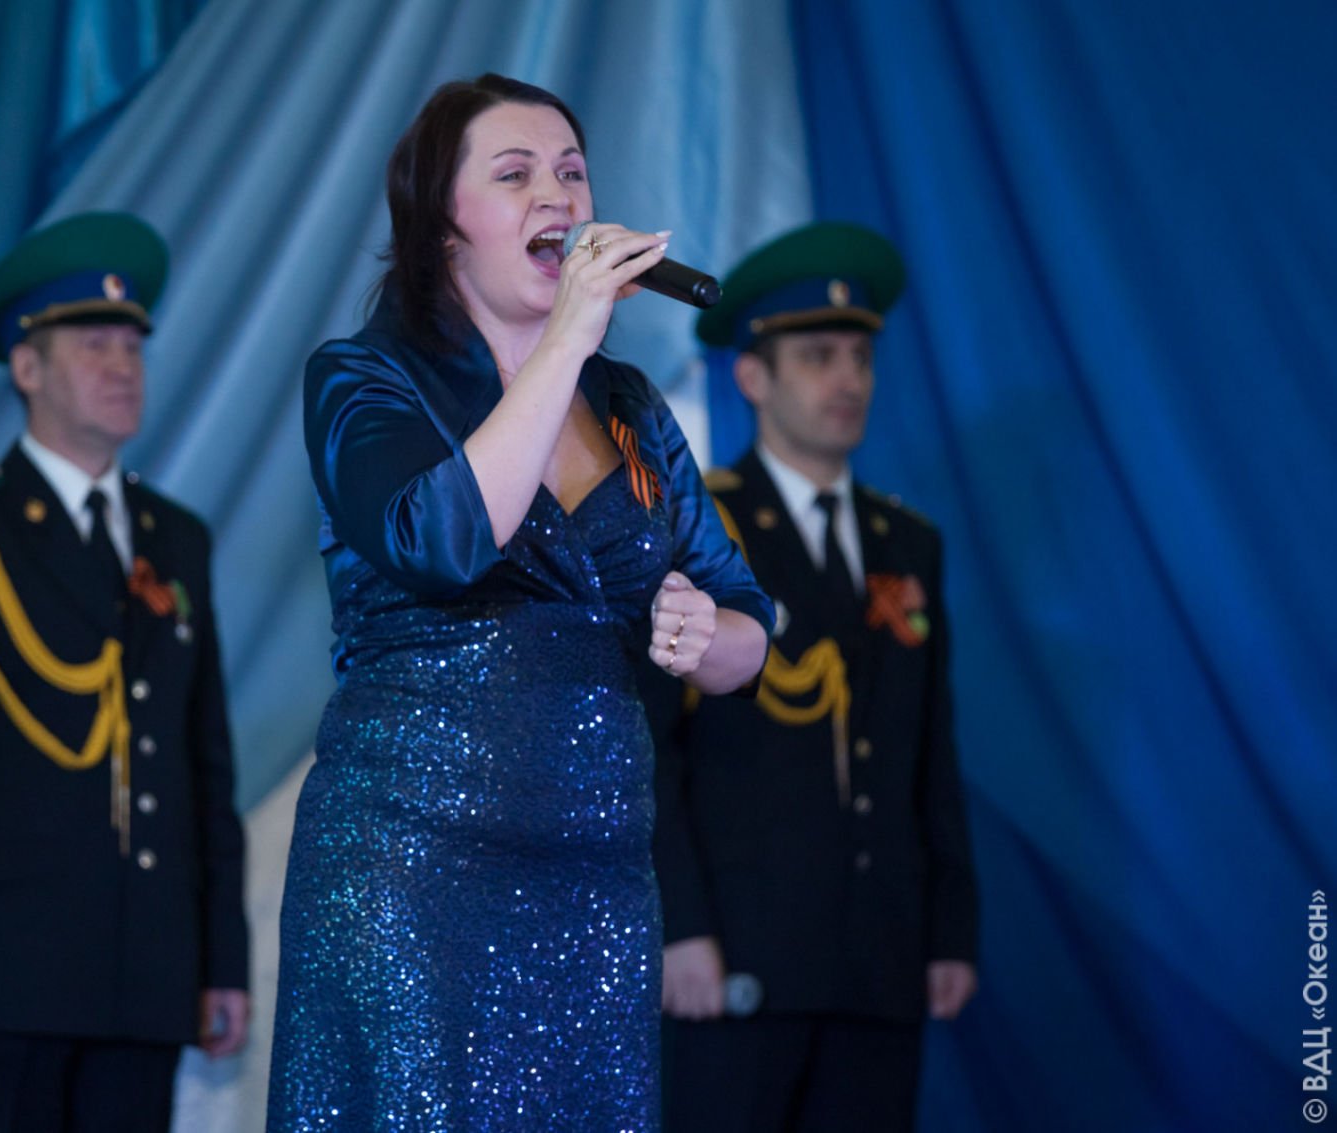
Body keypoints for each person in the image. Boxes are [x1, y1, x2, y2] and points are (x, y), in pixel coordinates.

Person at [265, 74, 776, 1129]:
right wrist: (566, 340)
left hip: (596, 879)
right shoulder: (365, 379)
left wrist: (706, 631)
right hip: (413, 867)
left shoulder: (628, 406)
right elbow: (439, 541)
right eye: (514, 173)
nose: (558, 194)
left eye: (572, 172)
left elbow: (744, 620)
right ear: (439, 222)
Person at [0, 211, 250, 1132]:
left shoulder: (176, 539)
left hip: (146, 979)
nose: (123, 366)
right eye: (93, 345)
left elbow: (203, 769)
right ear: (26, 369)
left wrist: (218, 959)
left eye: (133, 347)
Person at [650, 221, 980, 1132]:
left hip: (880, 958)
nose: (848, 380)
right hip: (737, 958)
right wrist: (680, 924)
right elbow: (650, 748)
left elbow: (928, 752)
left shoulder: (908, 543)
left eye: (860, 358)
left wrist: (949, 927)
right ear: (753, 377)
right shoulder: (698, 531)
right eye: (818, 356)